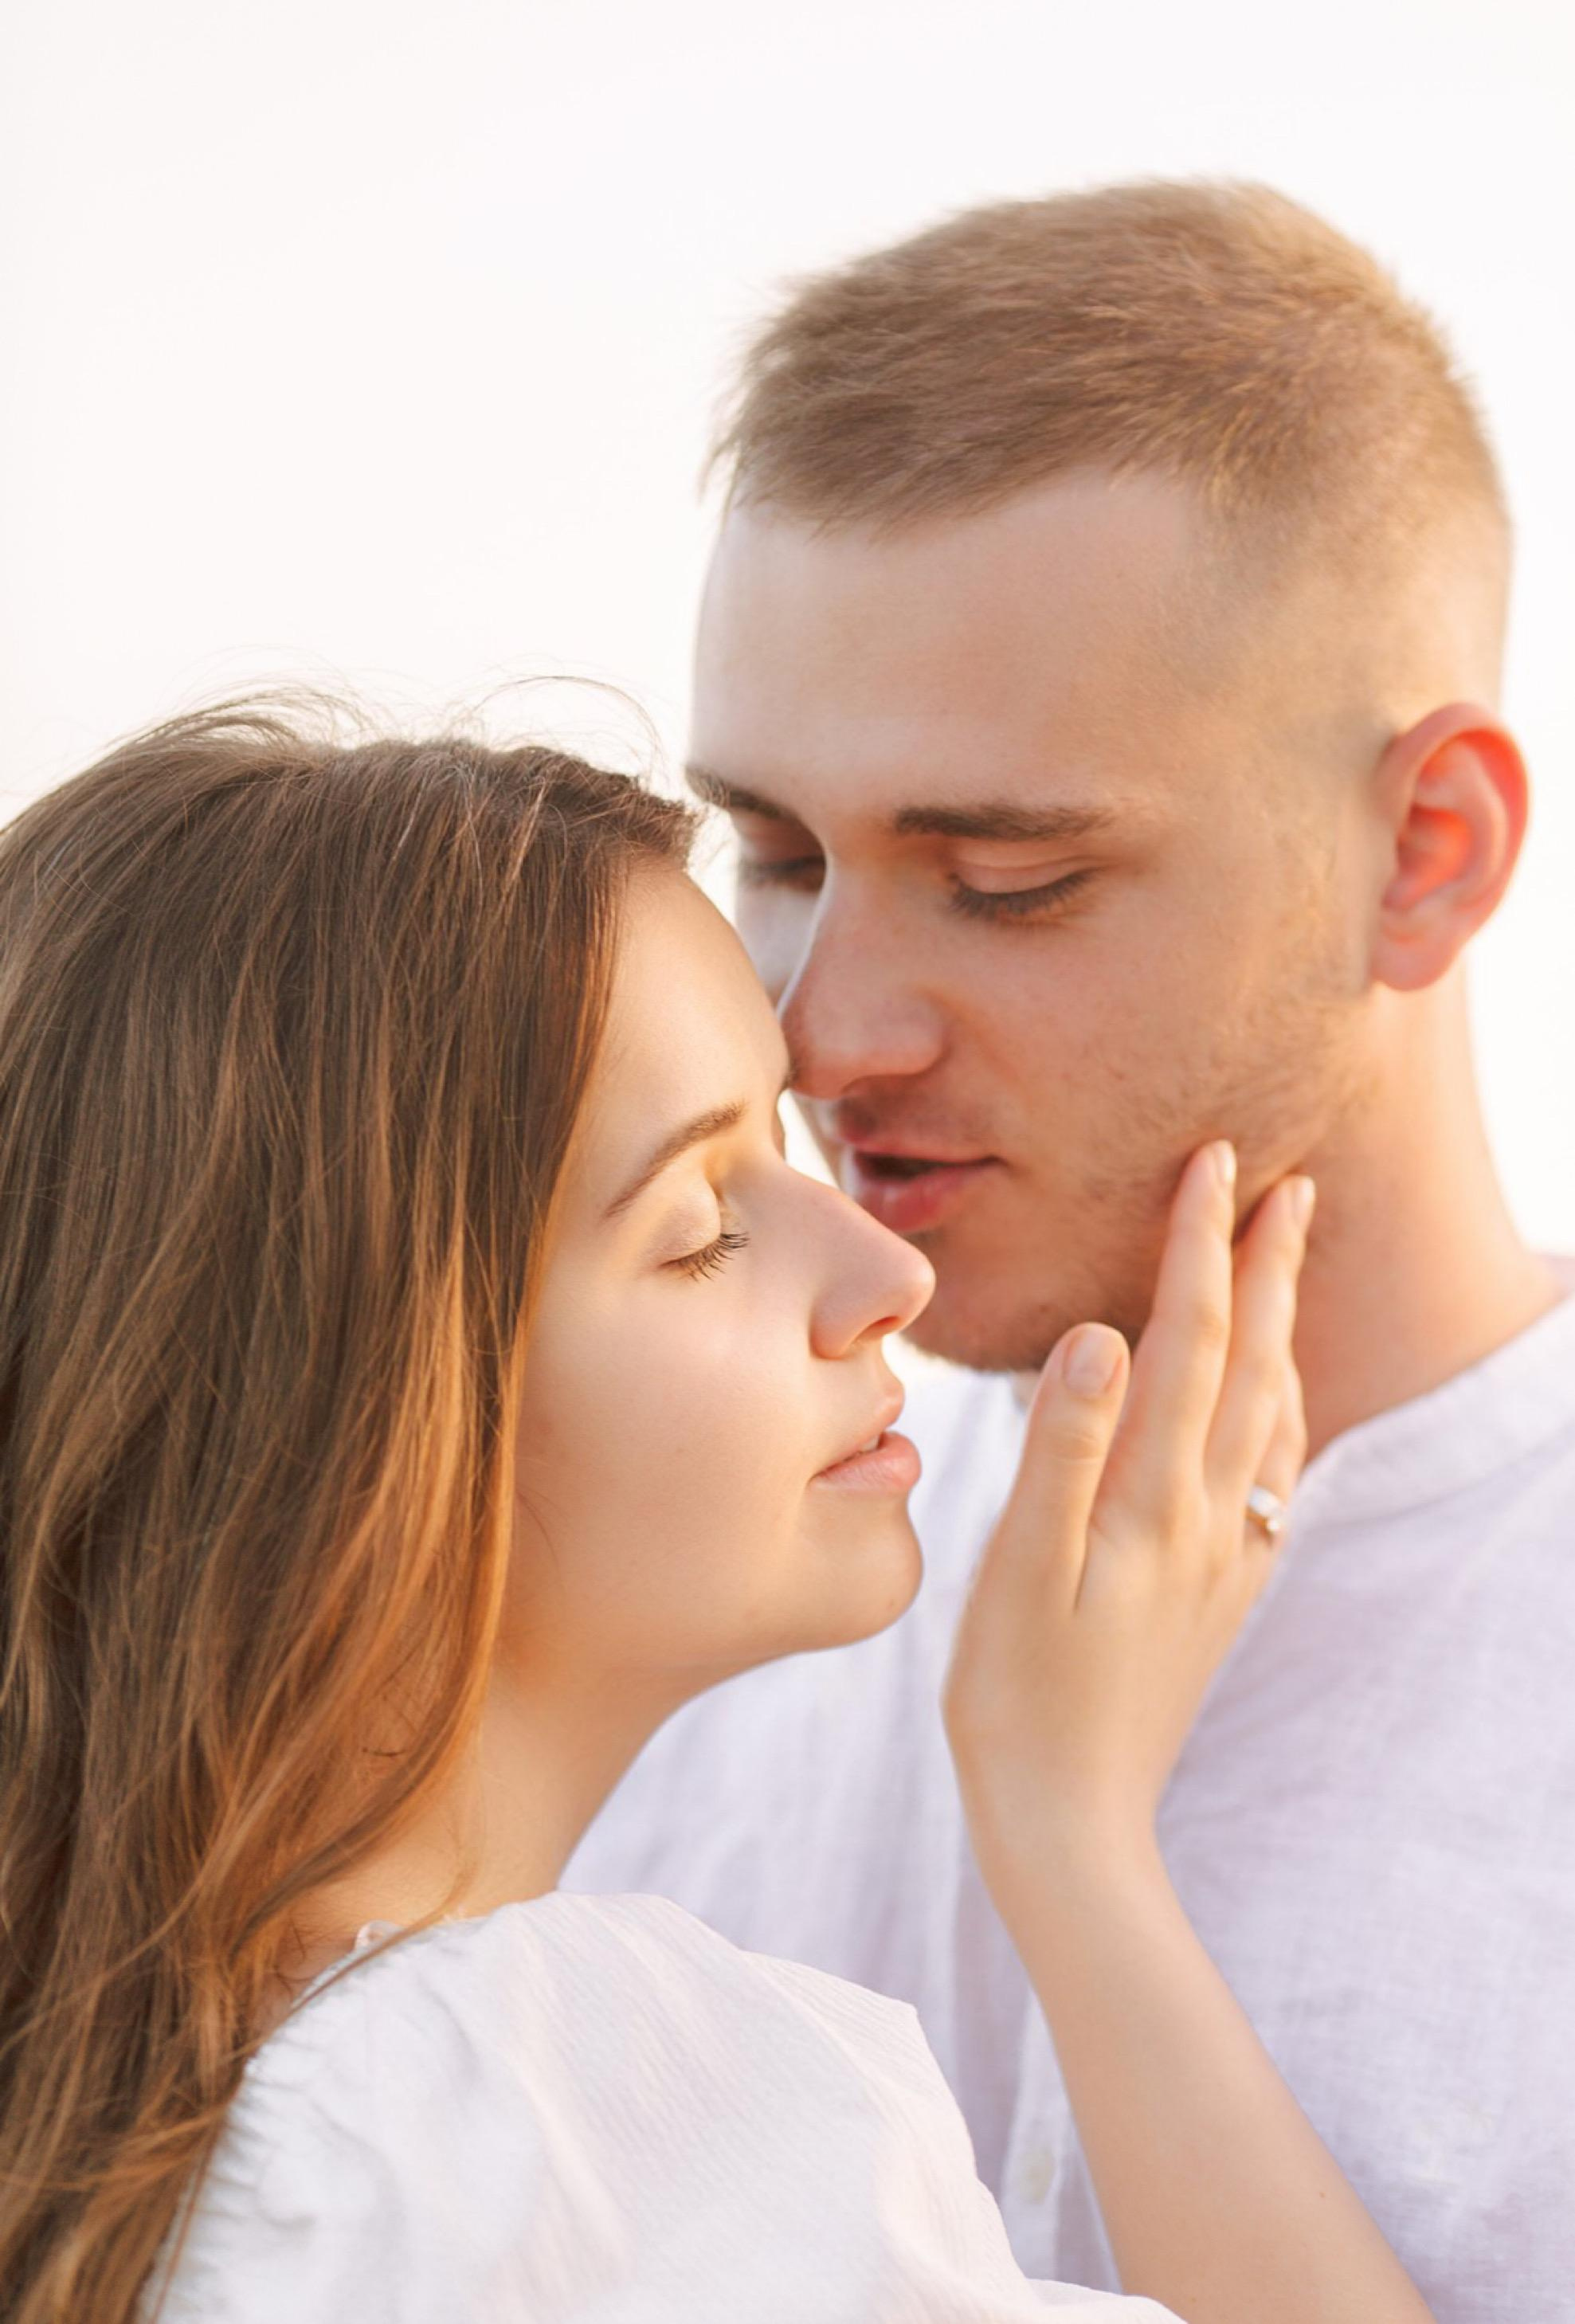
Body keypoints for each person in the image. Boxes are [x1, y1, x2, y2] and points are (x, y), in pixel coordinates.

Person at [0, 698, 1432, 2324]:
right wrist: (1071, 1834)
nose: (887, 1276)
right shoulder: (539, 2134)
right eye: (701, 1224)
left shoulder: (177, 2132)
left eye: (785, 1139)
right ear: (334, 1420)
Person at [567, 181, 1575, 2321]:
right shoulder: (640, 1598)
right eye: (767, 851)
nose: (818, 1029)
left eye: (1007, 875)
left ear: (1429, 855)